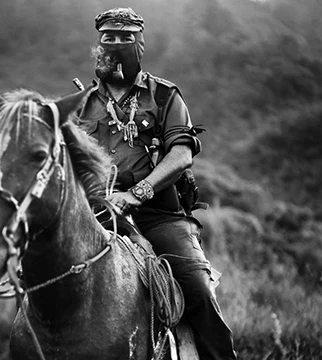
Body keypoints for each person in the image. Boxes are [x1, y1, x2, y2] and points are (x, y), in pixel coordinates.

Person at [76, 7, 237, 360]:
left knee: (198, 289)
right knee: (42, 280)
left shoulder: (164, 96)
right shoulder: (81, 105)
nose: (116, 45)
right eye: (109, 38)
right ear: (98, 44)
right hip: (95, 216)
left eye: (125, 38)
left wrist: (136, 194)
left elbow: (181, 156)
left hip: (158, 215)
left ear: (140, 44)